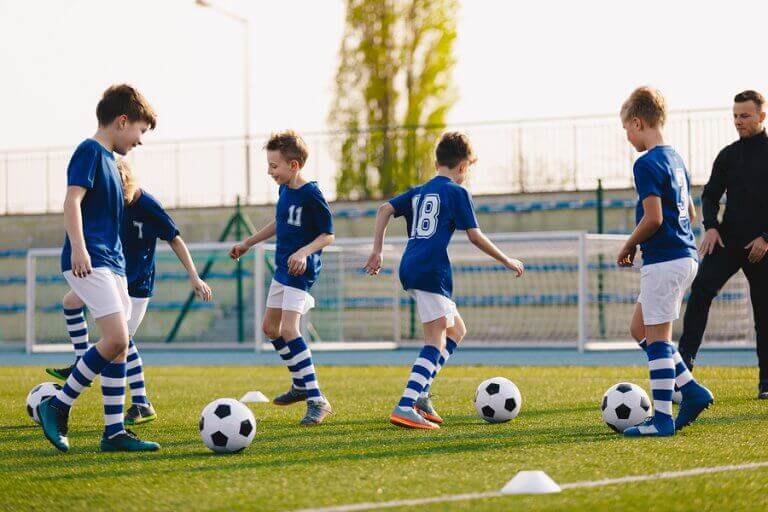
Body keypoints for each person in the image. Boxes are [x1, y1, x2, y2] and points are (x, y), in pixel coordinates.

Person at [364, 132, 525, 430]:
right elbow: (475, 236)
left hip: (411, 266)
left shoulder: (419, 191)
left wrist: (377, 251)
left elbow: (384, 209)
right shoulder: (456, 192)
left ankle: (422, 395)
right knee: (435, 342)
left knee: (457, 330)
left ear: (437, 161)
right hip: (430, 270)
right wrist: (507, 260)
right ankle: (406, 404)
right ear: (463, 167)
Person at [37, 84, 160, 452]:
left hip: (114, 263)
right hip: (90, 261)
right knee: (117, 339)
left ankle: (114, 432)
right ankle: (57, 406)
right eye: (139, 131)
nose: (139, 141)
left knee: (119, 349)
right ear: (122, 121)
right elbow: (71, 201)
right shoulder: (89, 151)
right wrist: (78, 248)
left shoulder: (112, 161)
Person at [45, 159, 213, 426]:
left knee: (120, 342)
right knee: (72, 302)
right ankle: (84, 362)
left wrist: (194, 276)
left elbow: (175, 238)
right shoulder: (110, 205)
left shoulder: (148, 205)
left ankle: (137, 403)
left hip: (137, 288)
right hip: (114, 278)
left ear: (128, 183)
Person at [617, 86, 713, 437]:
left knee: (657, 340)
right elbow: (688, 209)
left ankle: (661, 419)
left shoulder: (645, 163)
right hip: (685, 255)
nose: (628, 137)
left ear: (638, 122)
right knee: (639, 330)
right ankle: (690, 389)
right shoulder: (676, 158)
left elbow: (654, 218)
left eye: (627, 129)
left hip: (664, 259)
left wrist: (628, 245)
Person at [229, 130, 335, 426]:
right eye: (269, 165)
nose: (270, 171)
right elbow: (279, 222)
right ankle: (300, 384)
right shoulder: (284, 191)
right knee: (270, 328)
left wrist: (304, 252)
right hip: (282, 270)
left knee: (290, 329)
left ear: (294, 165)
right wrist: (248, 242)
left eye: (274, 166)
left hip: (301, 272)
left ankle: (317, 399)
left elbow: (328, 234)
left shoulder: (312, 194)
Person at [678, 90, 768, 399]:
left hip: (763, 247)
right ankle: (683, 371)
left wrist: (766, 238)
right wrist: (712, 227)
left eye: (745, 115)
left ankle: (766, 384)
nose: (739, 121)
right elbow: (710, 195)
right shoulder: (728, 155)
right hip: (728, 240)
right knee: (701, 289)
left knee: (764, 314)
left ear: (761, 116)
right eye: (735, 116)